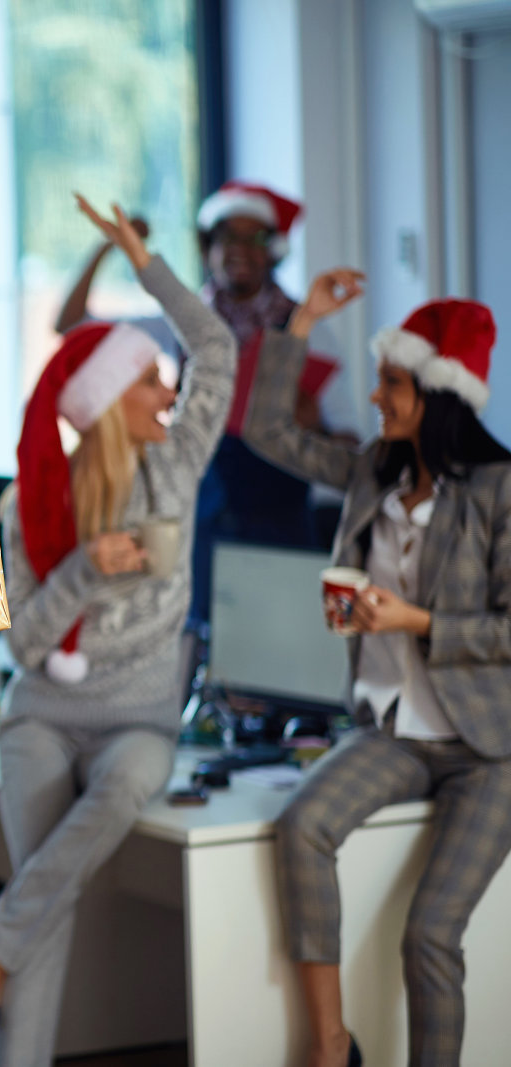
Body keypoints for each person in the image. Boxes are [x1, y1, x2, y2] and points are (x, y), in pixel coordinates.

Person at [0, 197, 236, 1065]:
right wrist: (86, 566)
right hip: (42, 713)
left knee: (110, 804)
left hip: (140, 722)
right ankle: (14, 976)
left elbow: (218, 350)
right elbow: (26, 647)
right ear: (114, 398)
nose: (170, 390)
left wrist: (139, 261)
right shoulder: (30, 500)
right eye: (153, 378)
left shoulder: (176, 465)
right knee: (59, 896)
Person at [243, 275, 511, 1067]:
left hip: (489, 747)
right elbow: (267, 432)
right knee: (303, 825)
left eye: (392, 383)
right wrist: (300, 323)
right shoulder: (372, 470)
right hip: (395, 727)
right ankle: (330, 1043)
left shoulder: (500, 490)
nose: (376, 396)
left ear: (437, 394)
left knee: (430, 932)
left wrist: (416, 620)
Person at [56, 181, 356, 621]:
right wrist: (110, 247)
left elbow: (351, 443)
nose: (239, 249)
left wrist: (315, 427)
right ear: (207, 248)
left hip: (281, 524)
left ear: (274, 250)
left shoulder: (311, 328)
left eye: (254, 238)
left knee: (278, 653)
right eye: (226, 237)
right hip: (202, 522)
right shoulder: (180, 325)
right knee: (202, 646)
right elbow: (72, 325)